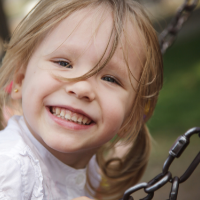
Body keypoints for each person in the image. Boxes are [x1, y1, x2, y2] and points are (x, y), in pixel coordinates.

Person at [0, 0, 163, 200]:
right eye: (63, 63)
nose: (81, 88)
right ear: (20, 79)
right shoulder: (8, 169)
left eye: (110, 79)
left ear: (130, 118)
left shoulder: (91, 170)